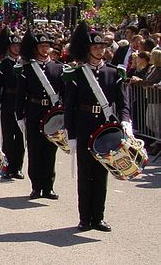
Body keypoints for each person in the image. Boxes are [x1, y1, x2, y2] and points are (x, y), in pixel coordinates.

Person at [64, 22, 130, 232]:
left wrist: (126, 121)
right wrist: (71, 133)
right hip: (84, 124)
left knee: (102, 173)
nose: (99, 50)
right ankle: (85, 217)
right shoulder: (77, 74)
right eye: (95, 47)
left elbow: (122, 102)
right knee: (85, 174)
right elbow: (70, 107)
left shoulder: (114, 73)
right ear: (88, 50)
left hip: (105, 126)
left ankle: (98, 217)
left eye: (102, 47)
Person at [16, 30, 64, 200]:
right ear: (35, 48)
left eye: (47, 46)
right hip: (34, 111)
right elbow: (21, 94)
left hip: (52, 114)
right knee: (35, 151)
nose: (45, 49)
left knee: (50, 151)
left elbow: (64, 93)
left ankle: (48, 186)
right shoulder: (27, 68)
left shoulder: (58, 68)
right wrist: (20, 115)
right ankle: (36, 186)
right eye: (42, 46)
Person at [0, 26, 25, 180]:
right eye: (14, 46)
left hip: (21, 102)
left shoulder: (25, 64)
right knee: (7, 137)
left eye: (19, 46)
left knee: (20, 137)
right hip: (8, 101)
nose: (16, 48)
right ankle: (6, 166)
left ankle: (17, 167)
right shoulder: (2, 65)